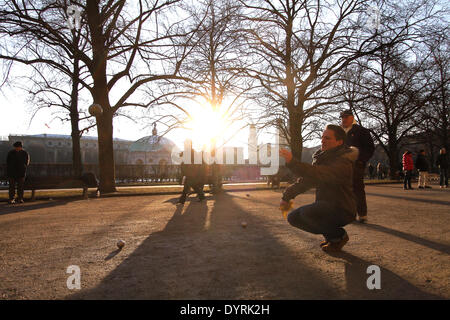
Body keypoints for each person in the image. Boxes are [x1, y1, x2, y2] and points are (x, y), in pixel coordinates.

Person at [279, 124, 358, 253]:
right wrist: (287, 196)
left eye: (327, 138)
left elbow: (319, 173)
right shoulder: (323, 159)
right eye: (322, 137)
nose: (322, 140)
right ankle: (332, 237)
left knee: (307, 213)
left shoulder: (343, 162)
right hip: (326, 206)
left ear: (339, 142)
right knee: (293, 218)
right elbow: (307, 181)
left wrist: (293, 163)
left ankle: (338, 236)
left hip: (342, 208)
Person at [340, 109, 375, 223]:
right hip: (340, 165)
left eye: (346, 117)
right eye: (342, 117)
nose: (343, 119)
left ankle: (362, 214)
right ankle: (348, 213)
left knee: (357, 189)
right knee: (343, 190)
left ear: (352, 118)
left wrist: (361, 161)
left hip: (355, 165)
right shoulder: (338, 132)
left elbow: (369, 148)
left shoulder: (361, 131)